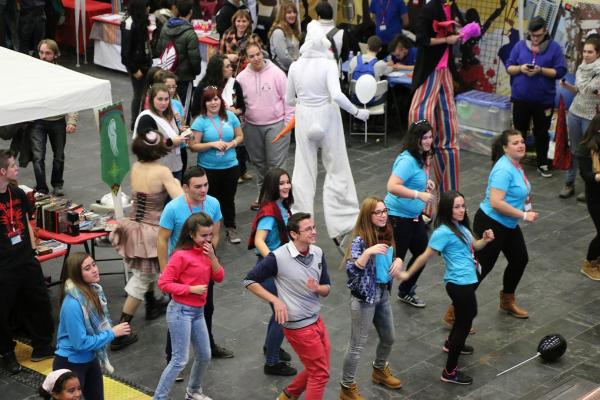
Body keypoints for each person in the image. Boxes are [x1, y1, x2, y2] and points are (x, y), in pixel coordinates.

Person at [398, 191, 495, 385]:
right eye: (456, 207)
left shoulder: (460, 226)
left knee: (468, 314)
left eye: (463, 206)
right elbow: (425, 255)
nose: (461, 210)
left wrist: (484, 240)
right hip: (459, 284)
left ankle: (451, 344)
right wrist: (407, 275)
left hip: (466, 280)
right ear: (447, 210)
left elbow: (474, 246)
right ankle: (449, 371)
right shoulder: (443, 232)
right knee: (463, 324)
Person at [286, 24, 368, 246]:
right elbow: (338, 96)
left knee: (303, 171)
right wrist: (358, 112)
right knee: (337, 167)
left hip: (304, 116)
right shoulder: (328, 64)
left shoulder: (295, 66)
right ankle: (343, 223)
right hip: (327, 115)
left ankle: (300, 225)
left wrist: (303, 104)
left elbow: (288, 99)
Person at [109, 131, 184, 350]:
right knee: (142, 277)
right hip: (151, 230)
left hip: (134, 225)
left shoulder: (136, 167)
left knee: (147, 269)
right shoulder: (162, 171)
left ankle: (151, 304)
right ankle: (121, 331)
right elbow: (180, 200)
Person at [245, 212, 331, 400]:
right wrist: (275, 300)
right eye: (308, 229)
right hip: (299, 327)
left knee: (318, 366)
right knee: (320, 374)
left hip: (317, 320)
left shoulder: (318, 253)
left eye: (314, 227)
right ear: (294, 234)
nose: (314, 232)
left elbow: (327, 288)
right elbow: (249, 281)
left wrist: (318, 288)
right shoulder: (278, 257)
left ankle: (288, 395)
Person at [158, 166, 234, 359]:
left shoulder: (213, 203)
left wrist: (210, 257)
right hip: (181, 270)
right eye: (197, 186)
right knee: (179, 314)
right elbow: (162, 240)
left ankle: (208, 345)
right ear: (185, 187)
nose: (203, 190)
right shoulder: (173, 208)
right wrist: (164, 270)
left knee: (207, 308)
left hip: (202, 268)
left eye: (206, 185)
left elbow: (215, 234)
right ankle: (171, 356)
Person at [154, 212, 224, 400]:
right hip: (180, 312)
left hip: (197, 313)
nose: (208, 239)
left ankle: (193, 391)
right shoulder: (180, 256)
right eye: (203, 235)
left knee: (205, 354)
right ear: (192, 235)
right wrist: (190, 289)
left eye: (210, 234)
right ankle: (159, 397)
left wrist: (213, 258)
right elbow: (164, 283)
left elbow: (219, 276)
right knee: (179, 360)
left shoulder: (208, 252)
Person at [340, 196, 403, 399]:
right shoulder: (360, 239)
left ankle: (379, 369)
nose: (383, 215)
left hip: (383, 293)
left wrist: (399, 260)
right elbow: (351, 271)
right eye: (378, 212)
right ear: (368, 216)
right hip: (364, 298)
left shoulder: (387, 232)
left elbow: (391, 257)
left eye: (384, 211)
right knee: (357, 345)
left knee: (389, 337)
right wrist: (367, 253)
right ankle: (346, 387)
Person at [472, 130, 539, 319]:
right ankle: (456, 310)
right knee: (482, 268)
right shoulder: (504, 169)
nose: (521, 145)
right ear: (505, 148)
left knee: (519, 259)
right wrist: (524, 215)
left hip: (507, 223)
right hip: (491, 223)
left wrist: (525, 203)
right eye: (515, 143)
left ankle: (507, 301)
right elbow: (496, 202)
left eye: (522, 141)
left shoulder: (516, 164)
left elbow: (519, 190)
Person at [0, 149, 54, 375]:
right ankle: (7, 353)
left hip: (25, 258)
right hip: (3, 265)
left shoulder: (18, 194)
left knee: (39, 299)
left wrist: (33, 252)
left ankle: (42, 344)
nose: (17, 169)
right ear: (2, 171)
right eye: (13, 166)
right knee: (2, 310)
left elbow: (25, 221)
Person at [54, 252, 132, 400]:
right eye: (87, 268)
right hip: (71, 363)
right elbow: (80, 343)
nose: (94, 270)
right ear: (77, 274)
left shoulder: (94, 291)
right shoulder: (73, 304)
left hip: (90, 357)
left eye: (94, 265)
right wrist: (112, 333)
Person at [408, 0, 462, 193]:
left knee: (448, 133)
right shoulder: (430, 9)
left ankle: (450, 199)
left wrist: (460, 32)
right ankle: (423, 203)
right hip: (430, 72)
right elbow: (421, 39)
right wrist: (446, 40)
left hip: (444, 71)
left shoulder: (451, 7)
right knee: (421, 129)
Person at [247, 167, 296, 376]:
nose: (286, 186)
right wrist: (274, 261)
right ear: (272, 186)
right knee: (283, 312)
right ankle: (272, 362)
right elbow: (259, 240)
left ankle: (271, 347)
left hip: (277, 269)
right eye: (281, 183)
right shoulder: (269, 211)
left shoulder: (281, 206)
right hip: (272, 271)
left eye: (287, 182)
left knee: (279, 311)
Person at [506, 16, 567, 178]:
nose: (535, 39)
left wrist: (541, 70)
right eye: (532, 35)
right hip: (520, 99)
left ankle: (542, 163)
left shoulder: (554, 48)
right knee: (518, 133)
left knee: (541, 133)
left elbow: (560, 71)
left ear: (545, 32)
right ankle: (513, 164)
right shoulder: (520, 46)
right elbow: (509, 67)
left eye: (538, 36)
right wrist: (521, 68)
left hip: (543, 101)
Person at [237, 42, 294, 210]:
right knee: (259, 164)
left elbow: (289, 100)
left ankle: (281, 199)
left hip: (276, 125)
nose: (256, 59)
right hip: (252, 126)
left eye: (258, 54)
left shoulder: (277, 73)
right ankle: (263, 195)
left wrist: (287, 125)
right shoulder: (241, 78)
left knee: (276, 165)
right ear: (246, 59)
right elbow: (239, 103)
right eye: (251, 56)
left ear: (262, 53)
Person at [384, 119, 435, 308]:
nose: (428, 141)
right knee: (395, 260)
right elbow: (392, 186)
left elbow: (413, 179)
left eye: (430, 137)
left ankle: (406, 290)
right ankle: (380, 300)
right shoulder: (408, 160)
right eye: (424, 138)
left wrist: (424, 184)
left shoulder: (422, 156)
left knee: (422, 252)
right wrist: (418, 194)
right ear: (416, 139)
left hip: (414, 217)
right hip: (398, 218)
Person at [189, 87, 244, 244]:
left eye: (216, 99)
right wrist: (212, 144)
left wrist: (232, 143)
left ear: (221, 100)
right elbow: (193, 146)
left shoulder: (231, 116)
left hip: (230, 166)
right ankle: (208, 230)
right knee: (208, 200)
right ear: (204, 103)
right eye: (209, 100)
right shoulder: (200, 121)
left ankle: (230, 227)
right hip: (208, 168)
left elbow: (240, 136)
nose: (213, 103)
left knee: (228, 199)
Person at [189, 55, 251, 182]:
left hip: (232, 127)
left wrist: (235, 111)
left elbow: (242, 107)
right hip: (209, 133)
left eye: (231, 65)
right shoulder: (204, 87)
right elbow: (195, 111)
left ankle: (240, 171)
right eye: (227, 66)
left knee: (239, 151)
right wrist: (210, 116)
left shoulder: (234, 84)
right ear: (218, 69)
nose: (231, 68)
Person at [31, 39, 78, 196]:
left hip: (57, 120)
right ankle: (41, 187)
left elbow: (72, 98)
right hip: (38, 121)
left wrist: (72, 121)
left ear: (56, 55)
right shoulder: (33, 73)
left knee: (59, 156)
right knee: (38, 157)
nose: (43, 56)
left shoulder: (62, 74)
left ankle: (57, 184)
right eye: (41, 52)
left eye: (48, 53)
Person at [558, 37, 600, 198]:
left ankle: (589, 186)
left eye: (590, 52)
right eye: (584, 51)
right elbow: (581, 90)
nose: (586, 55)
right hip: (575, 112)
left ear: (598, 54)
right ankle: (569, 183)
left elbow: (588, 88)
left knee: (589, 152)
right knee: (574, 150)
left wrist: (583, 87)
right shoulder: (582, 68)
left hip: (591, 116)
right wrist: (567, 86)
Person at [133, 83, 189, 181]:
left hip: (175, 166)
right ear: (152, 99)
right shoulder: (146, 118)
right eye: (160, 99)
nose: (164, 103)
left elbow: (174, 134)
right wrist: (171, 142)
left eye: (166, 99)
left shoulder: (170, 115)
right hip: (157, 171)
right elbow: (146, 147)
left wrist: (184, 134)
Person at [156, 0, 201, 105]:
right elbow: (195, 59)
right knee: (184, 107)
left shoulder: (165, 26)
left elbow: (159, 49)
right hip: (184, 78)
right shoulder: (190, 34)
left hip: (167, 74)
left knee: (167, 105)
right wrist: (195, 72)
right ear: (191, 12)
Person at [121, 0, 153, 129]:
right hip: (136, 66)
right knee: (138, 94)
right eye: (146, 6)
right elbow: (125, 53)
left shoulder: (141, 20)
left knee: (144, 94)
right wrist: (134, 70)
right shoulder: (129, 24)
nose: (149, 9)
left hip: (144, 63)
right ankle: (135, 122)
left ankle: (141, 119)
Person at [578, 114, 600, 280]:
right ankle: (589, 262)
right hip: (595, 196)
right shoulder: (586, 149)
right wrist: (598, 177)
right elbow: (586, 175)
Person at [219, 9, 263, 76]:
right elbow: (219, 55)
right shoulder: (227, 34)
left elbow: (262, 57)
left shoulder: (254, 38)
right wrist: (227, 56)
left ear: (248, 22)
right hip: (228, 72)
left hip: (247, 73)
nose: (241, 24)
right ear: (234, 22)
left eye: (244, 21)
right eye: (238, 21)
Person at [268, 1, 300, 73]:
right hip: (283, 72)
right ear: (283, 14)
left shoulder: (291, 29)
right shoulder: (279, 32)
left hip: (292, 69)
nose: (293, 15)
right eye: (289, 12)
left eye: (294, 12)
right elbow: (283, 57)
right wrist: (298, 66)